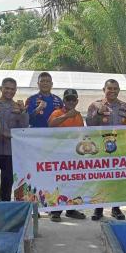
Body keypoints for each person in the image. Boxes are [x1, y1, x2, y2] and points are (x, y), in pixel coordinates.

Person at [86, 79, 126, 221]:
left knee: (117, 178)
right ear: (103, 89)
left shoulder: (125, 107)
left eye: (115, 88)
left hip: (120, 148)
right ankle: (98, 209)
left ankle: (116, 208)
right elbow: (89, 124)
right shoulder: (95, 105)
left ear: (119, 90)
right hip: (100, 148)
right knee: (101, 178)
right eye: (109, 88)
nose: (112, 91)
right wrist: (98, 113)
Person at [47, 88, 87, 222]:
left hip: (74, 154)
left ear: (77, 101)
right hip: (59, 154)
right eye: (68, 99)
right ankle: (54, 211)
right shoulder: (57, 112)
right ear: (63, 100)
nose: (70, 101)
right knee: (58, 182)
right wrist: (66, 116)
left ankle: (71, 209)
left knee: (74, 182)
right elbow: (50, 125)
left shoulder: (79, 115)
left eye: (73, 99)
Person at [0, 78, 29, 201]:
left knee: (6, 187)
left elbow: (24, 127)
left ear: (16, 90)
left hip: (10, 152)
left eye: (12, 89)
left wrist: (23, 112)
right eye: (6, 88)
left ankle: (4, 215)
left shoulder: (18, 107)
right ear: (1, 89)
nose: (9, 91)